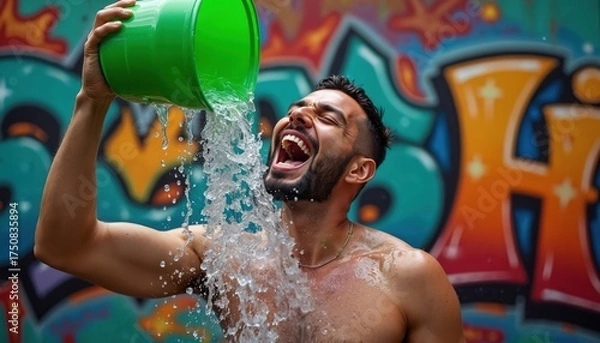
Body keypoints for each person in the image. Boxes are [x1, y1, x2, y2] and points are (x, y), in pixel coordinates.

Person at [34, 0, 465, 341]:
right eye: (297, 109)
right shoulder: (224, 257)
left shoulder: (406, 276)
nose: (296, 117)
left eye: (327, 119)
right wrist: (92, 101)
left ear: (359, 170)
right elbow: (66, 246)